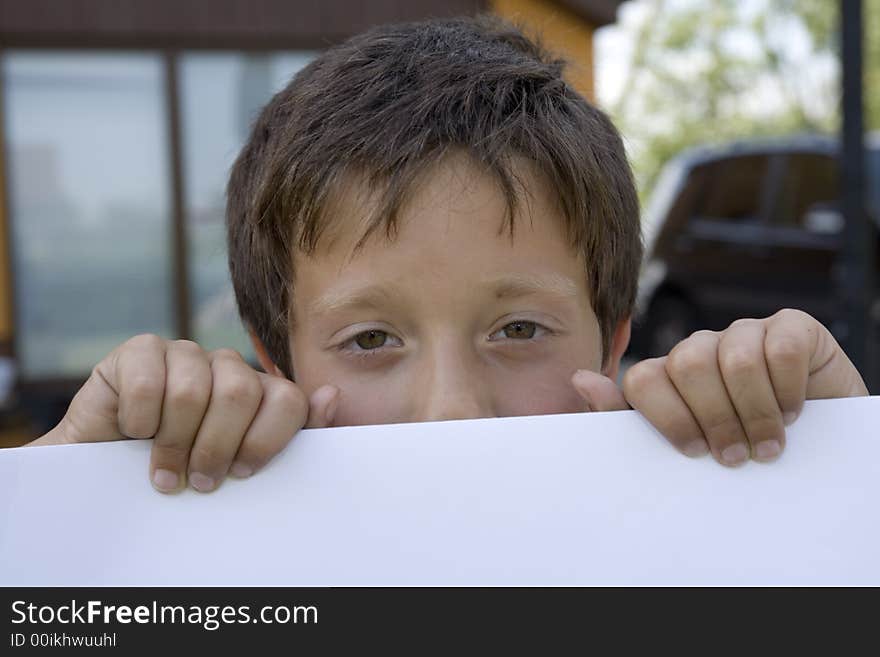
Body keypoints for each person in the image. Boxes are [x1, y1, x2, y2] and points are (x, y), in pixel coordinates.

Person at [28, 16, 868, 493]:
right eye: (369, 339)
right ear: (273, 365)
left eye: (519, 328)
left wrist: (846, 468)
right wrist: (55, 495)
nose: (452, 410)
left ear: (614, 341)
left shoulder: (699, 541)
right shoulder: (221, 573)